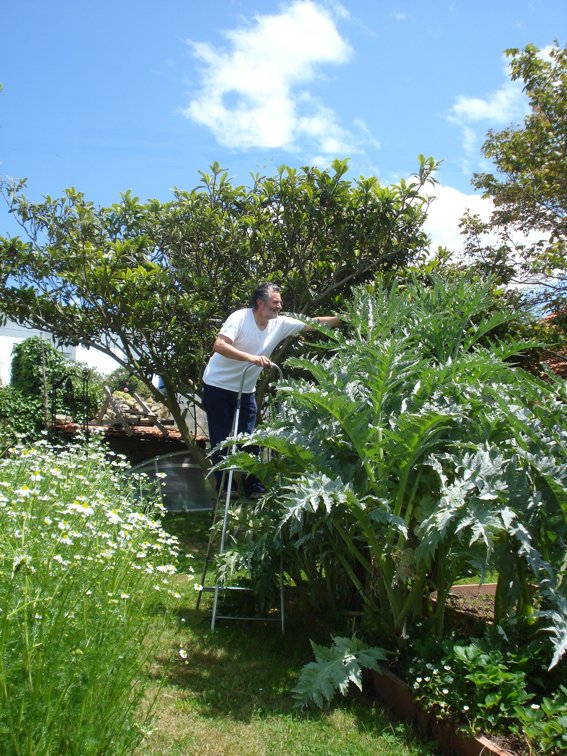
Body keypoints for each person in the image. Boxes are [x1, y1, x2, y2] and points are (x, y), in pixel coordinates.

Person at [202, 282, 340, 498]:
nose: (280, 306)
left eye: (280, 302)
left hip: (245, 390)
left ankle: (253, 487)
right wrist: (251, 358)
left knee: (250, 438)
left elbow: (311, 323)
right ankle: (226, 487)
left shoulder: (280, 323)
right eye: (276, 302)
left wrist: (342, 318)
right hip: (217, 386)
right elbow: (219, 345)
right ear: (260, 303)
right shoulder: (240, 318)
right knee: (221, 438)